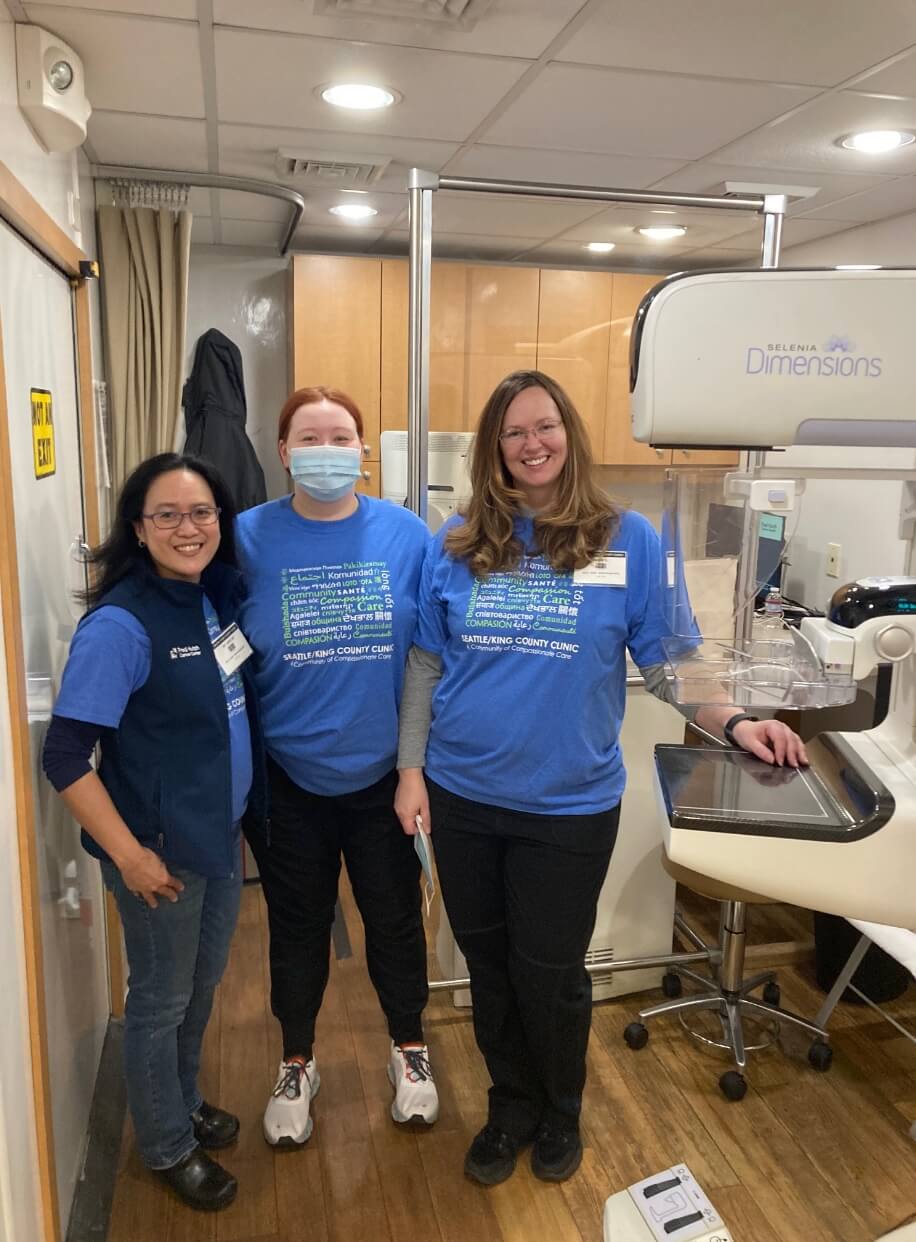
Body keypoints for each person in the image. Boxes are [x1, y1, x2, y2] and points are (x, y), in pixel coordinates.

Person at [394, 369, 807, 1187]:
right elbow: (424, 665)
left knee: (550, 972)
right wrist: (410, 770)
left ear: (570, 435)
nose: (531, 443)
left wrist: (735, 720)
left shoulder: (629, 538)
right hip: (464, 796)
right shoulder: (457, 540)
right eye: (513, 432)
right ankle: (508, 1105)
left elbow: (667, 661)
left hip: (568, 804)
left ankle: (560, 1110)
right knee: (490, 966)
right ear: (493, 448)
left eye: (544, 426)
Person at [42, 452, 264, 1212]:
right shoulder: (122, 625)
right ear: (137, 529)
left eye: (201, 512)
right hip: (160, 857)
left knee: (197, 991)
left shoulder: (208, 597)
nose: (187, 527)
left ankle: (184, 1098)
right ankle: (166, 1143)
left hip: (216, 834)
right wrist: (131, 856)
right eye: (166, 515)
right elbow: (66, 756)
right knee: (159, 1002)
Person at [236, 385, 438, 1148]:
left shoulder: (407, 535)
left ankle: (410, 1048)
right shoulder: (245, 538)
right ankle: (297, 1060)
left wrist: (416, 768)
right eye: (310, 439)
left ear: (363, 449)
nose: (328, 451)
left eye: (342, 436)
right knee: (294, 929)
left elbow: (428, 655)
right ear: (284, 452)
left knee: (393, 920)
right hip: (287, 778)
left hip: (384, 775)